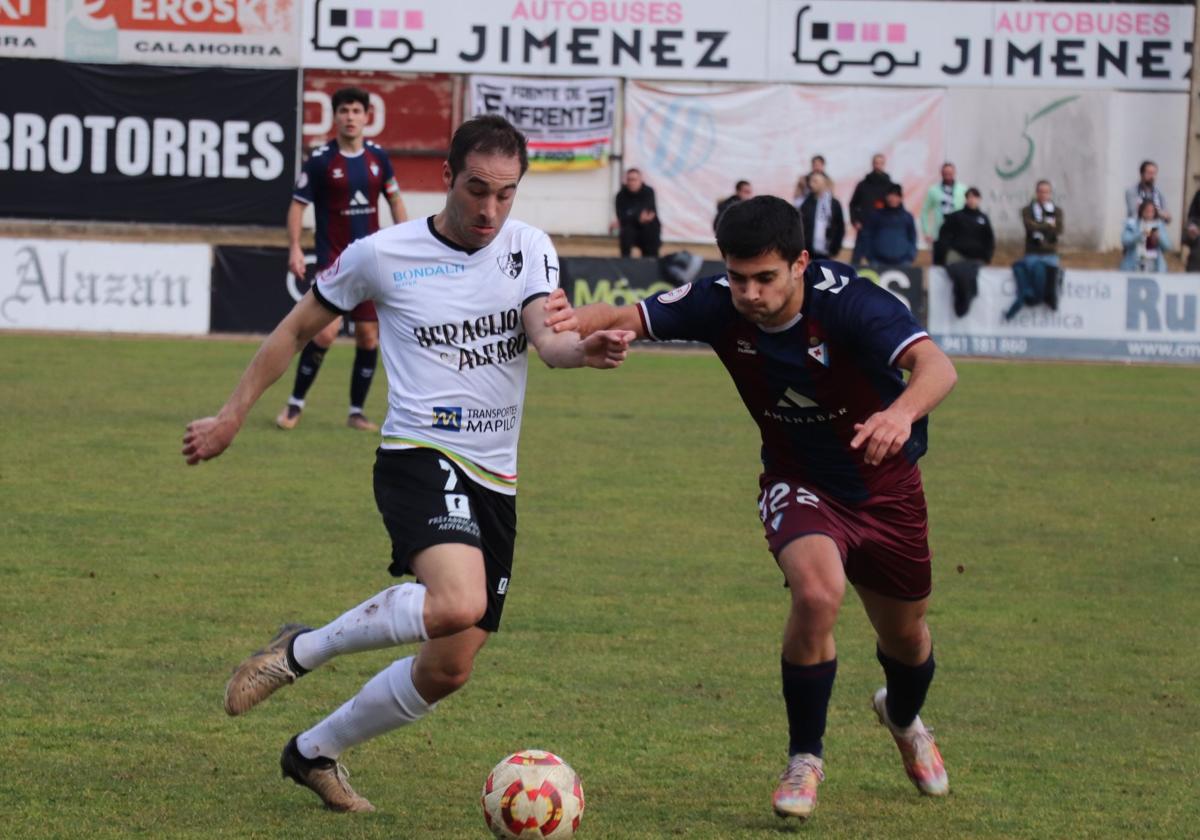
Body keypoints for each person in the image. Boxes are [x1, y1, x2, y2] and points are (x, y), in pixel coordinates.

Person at [180, 115, 634, 813]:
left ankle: (312, 752)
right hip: (418, 454)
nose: (490, 209)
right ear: (447, 176)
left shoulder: (529, 248)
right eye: (477, 189)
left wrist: (588, 351)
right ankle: (303, 649)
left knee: (450, 665)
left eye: (505, 194)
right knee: (458, 601)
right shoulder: (382, 254)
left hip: (494, 478)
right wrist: (232, 414)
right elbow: (297, 328)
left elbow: (548, 339)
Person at [549, 195, 957, 821]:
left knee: (906, 639)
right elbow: (623, 313)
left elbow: (936, 367)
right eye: (738, 277)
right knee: (818, 594)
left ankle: (902, 719)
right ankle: (805, 759)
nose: (749, 293)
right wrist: (570, 321)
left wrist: (899, 414)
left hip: (886, 488)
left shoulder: (850, 302)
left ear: (799, 263)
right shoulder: (718, 302)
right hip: (798, 481)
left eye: (765, 278)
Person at [280, 87, 410, 432]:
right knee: (324, 334)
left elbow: (395, 201)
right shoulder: (322, 159)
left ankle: (356, 412)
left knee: (369, 337)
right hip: (333, 260)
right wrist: (295, 247)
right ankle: (294, 404)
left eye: (356, 110)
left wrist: (410, 241)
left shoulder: (379, 158)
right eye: (344, 111)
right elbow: (297, 205)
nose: (350, 117)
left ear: (366, 116)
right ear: (335, 117)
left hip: (373, 261)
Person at [1008, 180, 1064, 320]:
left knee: (1053, 280)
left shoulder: (1057, 211)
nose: (1044, 194)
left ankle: (1051, 302)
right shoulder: (1027, 210)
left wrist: (1039, 225)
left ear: (1050, 193)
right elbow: (1030, 227)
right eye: (1041, 191)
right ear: (1037, 192)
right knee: (1038, 276)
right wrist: (1048, 225)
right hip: (1033, 253)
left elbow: (1058, 230)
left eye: (1046, 192)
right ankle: (1030, 298)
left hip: (1050, 253)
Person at [934, 187, 994, 316]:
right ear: (966, 199)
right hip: (957, 255)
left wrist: (987, 256)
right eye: (969, 197)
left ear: (979, 199)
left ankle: (967, 297)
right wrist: (944, 252)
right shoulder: (956, 216)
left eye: (975, 197)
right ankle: (962, 300)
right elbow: (943, 235)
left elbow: (989, 239)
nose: (972, 200)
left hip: (976, 258)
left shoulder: (983, 218)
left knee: (969, 273)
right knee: (960, 271)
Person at [857, 183, 917, 267]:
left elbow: (912, 238)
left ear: (900, 198)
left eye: (896, 196)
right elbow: (867, 236)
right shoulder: (876, 216)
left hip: (903, 263)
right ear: (886, 197)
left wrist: (910, 256)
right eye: (890, 195)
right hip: (877, 263)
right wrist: (870, 257)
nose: (893, 199)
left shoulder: (907, 217)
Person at [848, 153, 892, 264]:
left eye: (880, 163)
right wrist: (855, 221)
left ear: (884, 164)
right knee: (856, 260)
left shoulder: (889, 186)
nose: (878, 166)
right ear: (872, 164)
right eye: (876, 163)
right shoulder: (863, 185)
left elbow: (894, 207)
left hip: (882, 229)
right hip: (864, 228)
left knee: (880, 260)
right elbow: (853, 204)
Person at [613, 168, 662, 258]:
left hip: (647, 227)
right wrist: (637, 217)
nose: (631, 183)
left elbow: (648, 211)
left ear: (640, 180)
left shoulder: (648, 192)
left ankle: (651, 263)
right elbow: (622, 216)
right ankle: (625, 264)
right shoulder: (620, 195)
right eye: (629, 180)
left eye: (634, 180)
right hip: (630, 227)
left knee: (650, 231)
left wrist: (632, 214)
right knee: (626, 233)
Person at [797, 172, 844, 260]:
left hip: (828, 252)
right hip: (809, 252)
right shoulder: (806, 204)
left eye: (815, 181)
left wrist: (835, 249)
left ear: (824, 183)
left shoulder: (834, 204)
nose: (811, 184)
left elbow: (839, 227)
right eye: (810, 181)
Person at [919, 162, 966, 244]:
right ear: (941, 173)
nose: (947, 175)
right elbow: (925, 211)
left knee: (957, 256)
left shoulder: (963, 189)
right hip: (939, 233)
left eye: (950, 173)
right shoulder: (933, 190)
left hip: (958, 233)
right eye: (945, 173)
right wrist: (927, 232)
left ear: (954, 173)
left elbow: (968, 212)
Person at [1120, 200, 1171, 273]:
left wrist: (1159, 238)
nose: (1149, 214)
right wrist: (1140, 235)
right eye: (1147, 211)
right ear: (1142, 211)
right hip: (1134, 264)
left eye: (1152, 211)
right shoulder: (1132, 224)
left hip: (1153, 264)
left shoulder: (1159, 225)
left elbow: (1168, 246)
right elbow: (1125, 240)